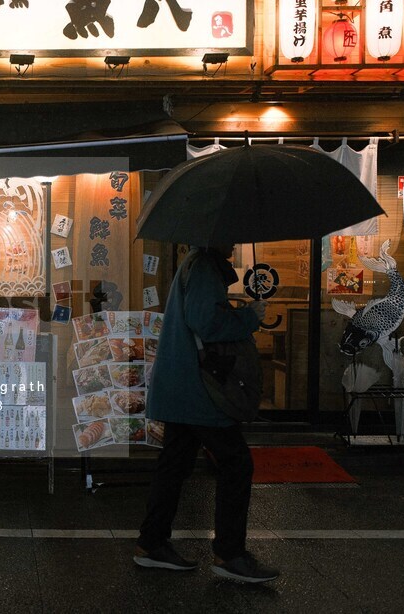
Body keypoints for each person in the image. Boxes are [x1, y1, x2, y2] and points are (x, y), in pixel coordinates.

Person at [133, 244, 279, 584]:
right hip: (198, 390)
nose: (235, 242)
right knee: (236, 462)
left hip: (181, 385)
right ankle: (229, 554)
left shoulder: (197, 263)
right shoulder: (203, 267)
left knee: (175, 465)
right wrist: (249, 317)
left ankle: (151, 544)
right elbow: (206, 323)